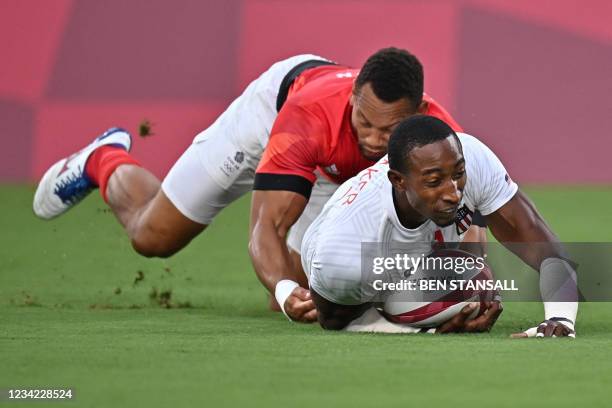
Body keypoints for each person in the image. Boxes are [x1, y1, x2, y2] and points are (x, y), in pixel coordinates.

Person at [32, 48, 483, 322]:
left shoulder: (437, 135)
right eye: (364, 122)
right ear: (352, 99)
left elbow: (467, 215)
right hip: (270, 119)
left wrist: (469, 285)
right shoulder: (308, 119)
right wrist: (284, 291)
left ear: (419, 111)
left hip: (330, 167)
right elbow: (265, 229)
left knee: (317, 298)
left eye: (390, 131)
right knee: (153, 238)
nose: (373, 140)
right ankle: (104, 158)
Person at [302, 115, 578, 336]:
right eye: (434, 181)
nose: (453, 193)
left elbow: (549, 252)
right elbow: (334, 321)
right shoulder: (342, 257)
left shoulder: (472, 157)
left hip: (418, 244)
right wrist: (423, 327)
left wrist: (560, 319)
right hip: (355, 260)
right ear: (398, 181)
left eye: (458, 175)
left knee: (477, 279)